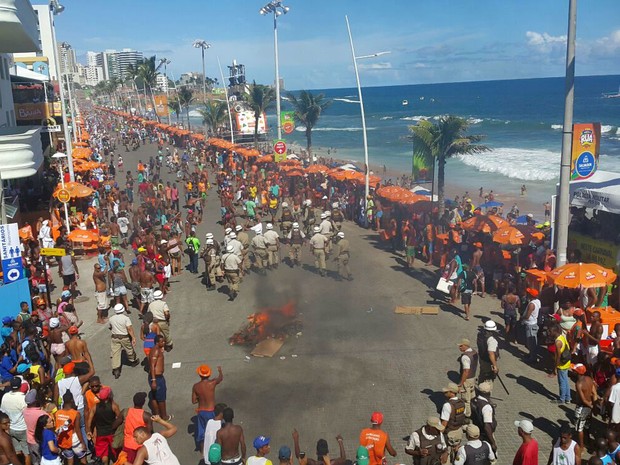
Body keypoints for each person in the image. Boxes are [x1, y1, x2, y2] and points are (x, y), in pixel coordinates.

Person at [86, 386, 120, 465]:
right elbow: (119, 419)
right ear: (109, 395)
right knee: (115, 452)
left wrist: (89, 431)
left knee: (103, 454)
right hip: (112, 433)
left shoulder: (95, 407)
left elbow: (89, 420)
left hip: (100, 434)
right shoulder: (114, 405)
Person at [192, 364, 223, 447]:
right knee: (215, 431)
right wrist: (220, 371)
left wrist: (201, 397)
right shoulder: (212, 383)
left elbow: (193, 401)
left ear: (199, 374)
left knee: (202, 434)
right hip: (211, 411)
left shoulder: (196, 386)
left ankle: (202, 451)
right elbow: (220, 379)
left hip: (201, 411)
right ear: (209, 374)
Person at [1, 377, 29, 465]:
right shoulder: (23, 398)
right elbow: (27, 414)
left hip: (10, 428)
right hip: (22, 429)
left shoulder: (5, 396)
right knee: (27, 453)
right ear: (20, 386)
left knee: (15, 450)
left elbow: (2, 411)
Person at [109, 303, 139, 379]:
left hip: (115, 337)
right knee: (129, 349)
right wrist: (133, 337)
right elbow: (129, 329)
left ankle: (116, 369)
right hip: (124, 337)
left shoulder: (111, 318)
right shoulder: (126, 318)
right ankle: (133, 361)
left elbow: (110, 327)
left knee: (115, 353)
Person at [55, 393, 87, 465]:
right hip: (74, 440)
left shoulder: (57, 413)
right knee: (83, 460)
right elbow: (78, 430)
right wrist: (83, 443)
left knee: (70, 461)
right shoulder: (75, 413)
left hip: (63, 441)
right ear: (72, 400)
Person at [122, 392, 153, 463]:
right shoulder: (146, 415)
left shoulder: (125, 412)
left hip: (128, 445)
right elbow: (149, 432)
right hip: (141, 445)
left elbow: (115, 424)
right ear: (144, 402)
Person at [573, 363, 596, 450]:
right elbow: (593, 393)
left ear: (578, 373)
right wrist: (592, 405)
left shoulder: (579, 384)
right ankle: (588, 441)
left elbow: (583, 400)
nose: (573, 372)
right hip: (589, 406)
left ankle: (581, 446)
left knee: (579, 428)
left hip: (582, 407)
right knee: (587, 425)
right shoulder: (589, 379)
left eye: (574, 371)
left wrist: (590, 405)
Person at [471, 382, 497, 454]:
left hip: (477, 430)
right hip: (485, 435)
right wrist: (493, 442)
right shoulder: (486, 407)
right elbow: (487, 426)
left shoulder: (473, 400)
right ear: (489, 392)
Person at [440, 382, 466, 449]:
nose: (444, 393)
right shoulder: (462, 402)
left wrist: (439, 435)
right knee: (456, 449)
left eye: (446, 392)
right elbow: (463, 416)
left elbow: (444, 423)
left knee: (446, 452)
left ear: (451, 393)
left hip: (450, 432)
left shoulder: (447, 405)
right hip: (459, 431)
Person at [550, 323, 572, 403]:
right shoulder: (562, 337)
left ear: (554, 331)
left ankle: (562, 399)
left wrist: (555, 368)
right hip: (566, 361)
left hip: (562, 364)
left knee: (562, 382)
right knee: (565, 380)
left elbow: (558, 356)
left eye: (550, 331)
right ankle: (568, 398)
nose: (549, 333)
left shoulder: (557, 342)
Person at [149, 335, 169, 420]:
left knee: (154, 396)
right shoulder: (156, 351)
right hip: (157, 378)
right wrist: (154, 380)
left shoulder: (156, 349)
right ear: (157, 342)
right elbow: (152, 366)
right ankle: (164, 416)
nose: (163, 343)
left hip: (155, 377)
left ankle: (157, 415)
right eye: (162, 342)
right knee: (161, 398)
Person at [457, 338, 478, 417]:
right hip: (473, 377)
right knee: (472, 396)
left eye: (461, 346)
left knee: (466, 399)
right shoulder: (474, 352)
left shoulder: (465, 357)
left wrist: (461, 383)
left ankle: (467, 415)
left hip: (467, 380)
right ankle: (474, 410)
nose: (459, 348)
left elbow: (466, 371)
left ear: (465, 346)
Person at [477, 320, 499, 389]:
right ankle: (485, 392)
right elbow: (491, 353)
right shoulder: (492, 340)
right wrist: (494, 366)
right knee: (488, 378)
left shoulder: (480, 334)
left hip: (481, 357)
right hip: (488, 361)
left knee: (482, 373)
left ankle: (479, 386)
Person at [523, 288, 541, 363]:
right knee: (533, 341)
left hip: (530, 324)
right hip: (534, 323)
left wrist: (522, 317)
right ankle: (531, 354)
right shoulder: (538, 302)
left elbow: (527, 316)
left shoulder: (531, 304)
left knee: (531, 342)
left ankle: (533, 358)